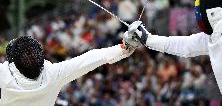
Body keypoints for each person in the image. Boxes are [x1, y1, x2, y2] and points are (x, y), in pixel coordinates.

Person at [0, 34, 137, 106]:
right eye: (25, 54)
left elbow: (89, 59)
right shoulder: (53, 74)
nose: (31, 57)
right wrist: (123, 49)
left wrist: (123, 48)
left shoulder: (52, 73)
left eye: (32, 52)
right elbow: (89, 58)